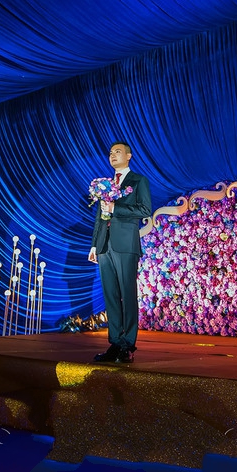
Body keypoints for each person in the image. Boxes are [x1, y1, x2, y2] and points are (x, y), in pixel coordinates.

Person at [88, 141, 152, 363]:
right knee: (111, 295)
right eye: (110, 153)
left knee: (127, 293)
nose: (113, 155)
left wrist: (116, 208)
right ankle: (115, 343)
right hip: (105, 245)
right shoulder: (105, 184)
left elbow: (145, 209)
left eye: (117, 152)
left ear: (129, 155)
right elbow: (100, 217)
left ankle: (128, 345)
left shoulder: (138, 181)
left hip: (125, 245)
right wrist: (95, 245)